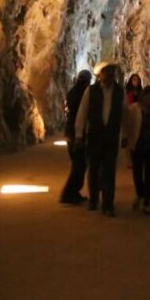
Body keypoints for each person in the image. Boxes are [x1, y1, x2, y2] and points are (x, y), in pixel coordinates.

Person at [74, 63, 125, 216]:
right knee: (94, 168)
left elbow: (125, 115)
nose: (110, 76)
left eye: (112, 73)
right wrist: (79, 135)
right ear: (100, 74)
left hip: (111, 136)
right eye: (107, 72)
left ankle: (108, 204)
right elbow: (82, 112)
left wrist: (126, 135)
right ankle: (94, 199)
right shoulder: (91, 91)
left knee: (109, 170)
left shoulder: (119, 92)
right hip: (95, 135)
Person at [124, 85, 150, 214]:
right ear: (143, 96)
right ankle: (140, 193)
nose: (149, 101)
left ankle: (147, 202)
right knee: (137, 173)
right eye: (148, 98)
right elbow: (128, 127)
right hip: (138, 144)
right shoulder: (133, 109)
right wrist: (127, 142)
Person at [59, 69, 92, 205]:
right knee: (79, 165)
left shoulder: (72, 91)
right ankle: (68, 194)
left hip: (70, 132)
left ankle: (73, 192)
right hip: (77, 134)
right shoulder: (83, 93)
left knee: (78, 164)